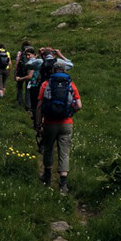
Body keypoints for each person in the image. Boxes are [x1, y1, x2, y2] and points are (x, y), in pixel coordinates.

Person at [36, 58, 81, 194]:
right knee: (64, 152)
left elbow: (39, 107)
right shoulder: (71, 84)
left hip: (49, 122)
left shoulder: (46, 84)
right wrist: (70, 112)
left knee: (48, 148)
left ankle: (47, 177)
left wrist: (39, 124)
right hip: (66, 123)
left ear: (53, 70)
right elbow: (79, 105)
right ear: (65, 70)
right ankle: (63, 184)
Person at [15, 41, 33, 107]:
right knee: (28, 89)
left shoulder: (20, 52)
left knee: (20, 87)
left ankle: (19, 101)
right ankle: (28, 105)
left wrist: (16, 72)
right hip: (29, 71)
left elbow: (17, 62)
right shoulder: (32, 51)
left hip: (21, 71)